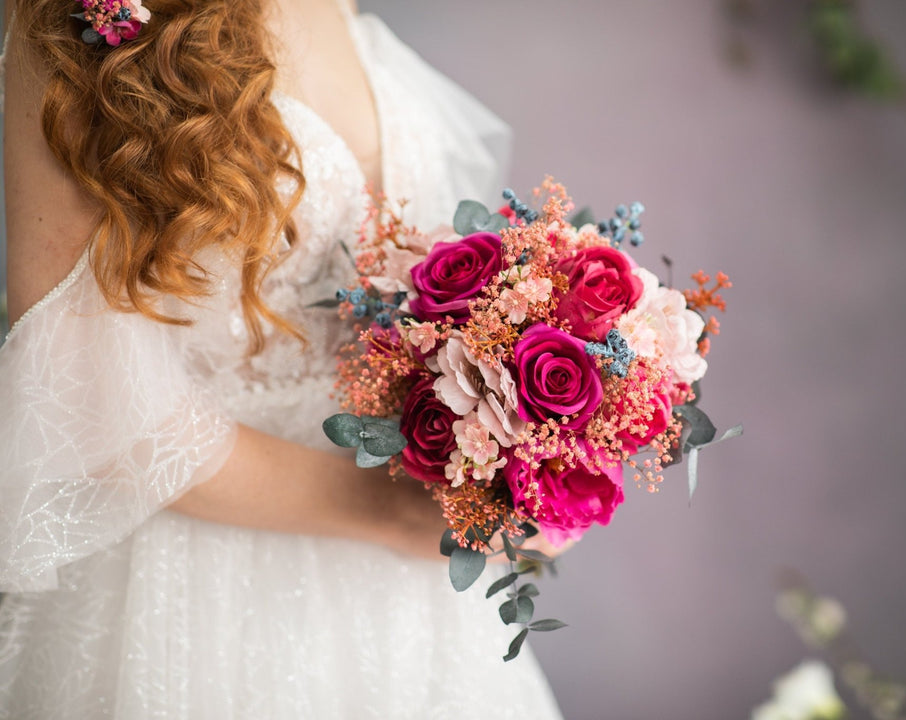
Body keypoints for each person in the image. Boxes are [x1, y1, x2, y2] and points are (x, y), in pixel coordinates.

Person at [0, 0, 565, 716]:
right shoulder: (92, 16)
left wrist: (535, 451)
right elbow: (81, 387)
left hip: (412, 601)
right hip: (189, 585)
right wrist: (389, 514)